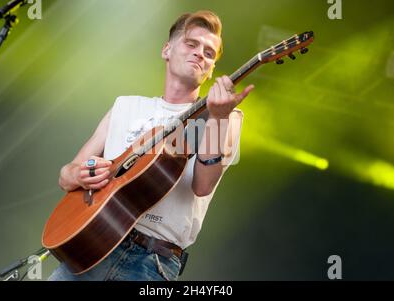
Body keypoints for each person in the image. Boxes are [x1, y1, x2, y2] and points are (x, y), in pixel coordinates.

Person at [48, 10, 254, 281]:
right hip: (90, 242)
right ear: (166, 50)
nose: (200, 54)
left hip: (151, 264)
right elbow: (66, 176)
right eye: (191, 44)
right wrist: (78, 173)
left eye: (209, 53)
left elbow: (203, 186)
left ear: (212, 68)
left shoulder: (223, 116)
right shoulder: (126, 105)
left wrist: (218, 118)